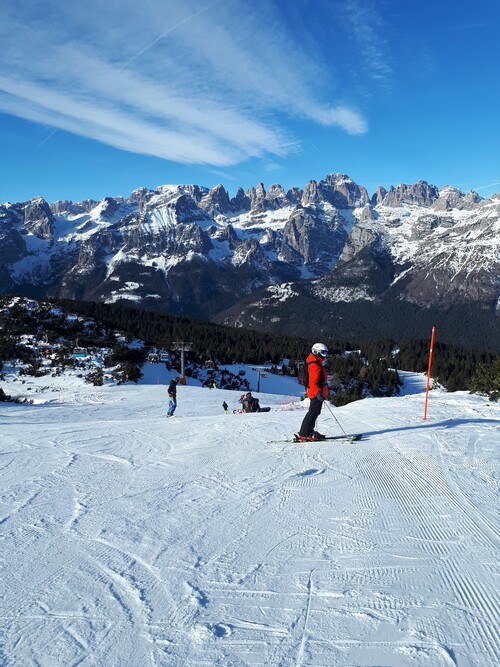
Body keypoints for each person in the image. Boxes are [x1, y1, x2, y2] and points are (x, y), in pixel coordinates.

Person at [298, 343, 329, 441]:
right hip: (316, 393)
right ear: (316, 352)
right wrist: (318, 392)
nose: (324, 355)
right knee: (313, 413)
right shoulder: (315, 365)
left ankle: (309, 431)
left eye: (325, 353)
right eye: (323, 353)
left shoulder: (315, 362)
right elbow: (312, 382)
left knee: (314, 412)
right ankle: (305, 433)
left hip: (316, 392)